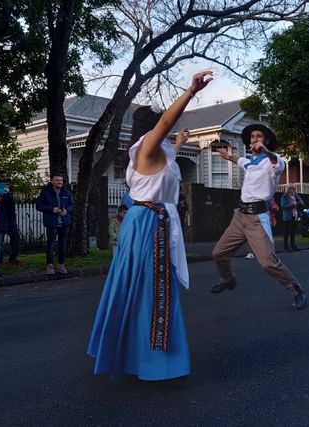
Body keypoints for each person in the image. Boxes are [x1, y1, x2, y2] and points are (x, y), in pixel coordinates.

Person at [88, 70, 212, 381]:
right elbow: (166, 124)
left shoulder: (161, 153)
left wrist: (181, 140)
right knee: (153, 291)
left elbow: (169, 141)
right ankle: (155, 362)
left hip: (147, 222)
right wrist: (190, 92)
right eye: (159, 125)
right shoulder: (146, 148)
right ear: (150, 128)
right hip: (148, 225)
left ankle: (133, 355)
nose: (166, 131)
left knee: (138, 289)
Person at [211, 123, 307, 310]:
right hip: (240, 217)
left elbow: (276, 163)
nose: (255, 139)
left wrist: (267, 151)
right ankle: (228, 280)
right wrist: (229, 156)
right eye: (253, 137)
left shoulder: (274, 161)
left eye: (259, 136)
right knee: (218, 253)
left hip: (257, 218)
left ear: (266, 140)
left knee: (268, 263)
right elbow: (240, 161)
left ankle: (297, 291)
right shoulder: (250, 162)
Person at [35, 174, 76, 274]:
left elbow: (72, 205)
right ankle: (50, 265)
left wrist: (66, 211)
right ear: (52, 181)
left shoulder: (66, 192)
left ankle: (61, 265)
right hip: (51, 222)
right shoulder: (46, 192)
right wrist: (52, 209)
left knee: (62, 245)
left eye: (61, 180)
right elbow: (39, 206)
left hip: (64, 222)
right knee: (50, 244)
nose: (60, 182)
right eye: (57, 180)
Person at [0, 170, 21, 265]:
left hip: (11, 218)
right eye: (2, 177)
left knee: (15, 237)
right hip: (1, 218)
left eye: (6, 176)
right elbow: (1, 201)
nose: (5, 178)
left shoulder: (8, 188)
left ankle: (13, 258)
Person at [280, 186, 303, 252]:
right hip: (287, 217)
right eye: (290, 188)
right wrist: (292, 204)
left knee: (293, 232)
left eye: (293, 188)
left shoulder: (295, 196)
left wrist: (298, 203)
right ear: (287, 189)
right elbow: (283, 206)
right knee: (286, 232)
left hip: (294, 215)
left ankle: (293, 245)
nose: (292, 190)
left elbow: (302, 202)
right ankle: (286, 247)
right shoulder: (284, 196)